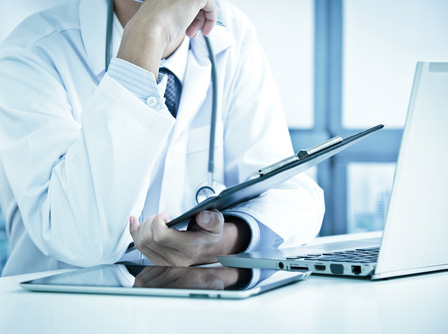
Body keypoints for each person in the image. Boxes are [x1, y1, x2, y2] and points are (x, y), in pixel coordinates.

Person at [0, 0, 324, 276]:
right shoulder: (33, 51)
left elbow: (296, 199)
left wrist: (221, 241)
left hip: (189, 310)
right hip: (60, 315)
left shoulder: (232, 36)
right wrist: (148, 35)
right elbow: (81, 238)